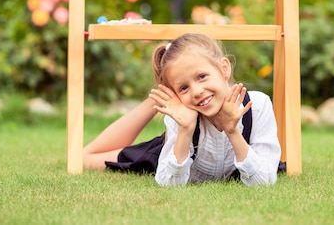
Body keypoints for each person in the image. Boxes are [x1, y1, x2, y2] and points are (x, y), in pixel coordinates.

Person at [83, 33, 281, 186]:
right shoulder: (181, 117)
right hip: (170, 153)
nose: (196, 92)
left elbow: (264, 182)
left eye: (202, 76)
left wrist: (233, 131)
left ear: (224, 69)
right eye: (183, 88)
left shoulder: (257, 105)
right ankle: (156, 100)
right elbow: (170, 184)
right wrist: (185, 130)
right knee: (84, 159)